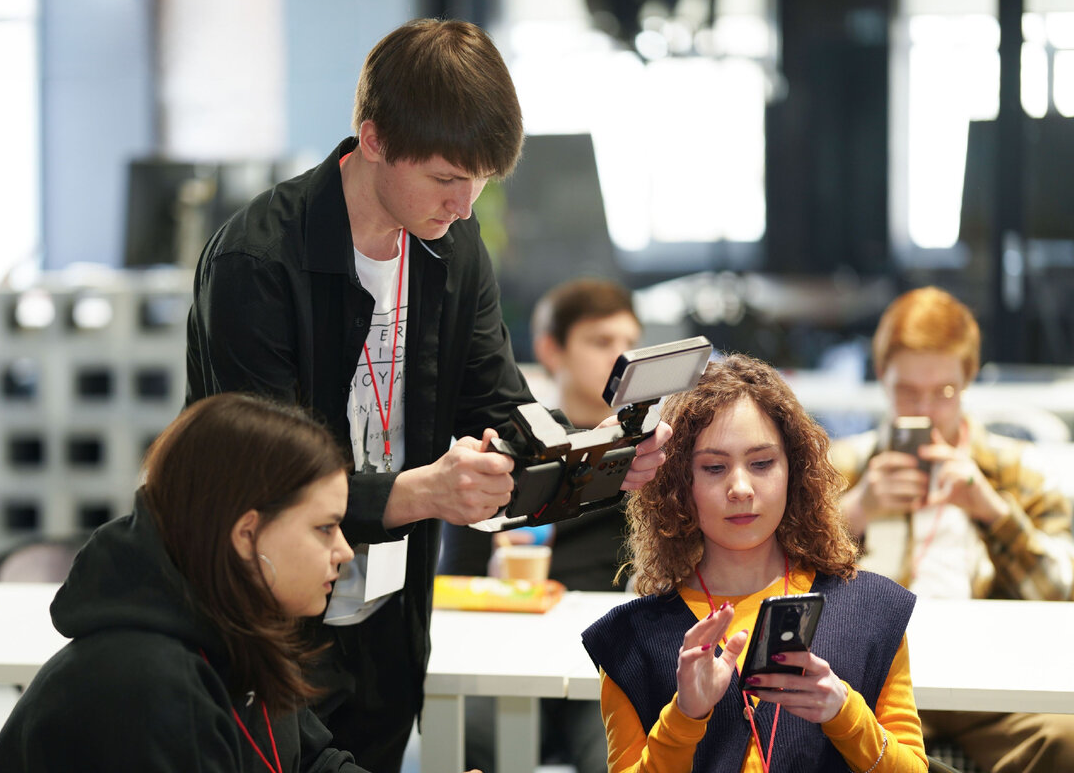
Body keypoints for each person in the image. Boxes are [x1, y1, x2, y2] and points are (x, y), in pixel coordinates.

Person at [184, 19, 671, 771]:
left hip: (390, 612)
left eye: (480, 181)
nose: (465, 204)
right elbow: (263, 478)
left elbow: (497, 401)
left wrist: (597, 458)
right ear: (373, 139)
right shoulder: (258, 261)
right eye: (447, 178)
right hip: (262, 614)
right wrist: (419, 493)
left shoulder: (451, 244)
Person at [0, 392, 369, 771]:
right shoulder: (151, 687)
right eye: (325, 528)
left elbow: (313, 762)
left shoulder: (239, 627)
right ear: (246, 535)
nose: (345, 551)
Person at [583, 354, 928, 773]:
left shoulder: (871, 610)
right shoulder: (630, 640)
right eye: (714, 467)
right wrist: (684, 717)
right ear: (678, 483)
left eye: (762, 463)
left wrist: (844, 712)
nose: (741, 488)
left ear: (794, 470)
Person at [829, 286, 1074, 772]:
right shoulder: (842, 468)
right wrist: (854, 512)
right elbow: (773, 577)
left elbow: (1062, 595)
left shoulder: (1010, 470)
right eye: (906, 391)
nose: (924, 410)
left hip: (988, 676)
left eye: (942, 393)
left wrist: (993, 513)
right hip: (867, 676)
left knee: (1063, 736)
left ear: (967, 382)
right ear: (881, 378)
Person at [439, 277, 641, 773]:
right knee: (470, 738)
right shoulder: (510, 451)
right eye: (601, 342)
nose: (621, 359)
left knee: (616, 756)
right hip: (508, 643)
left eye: (630, 345)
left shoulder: (649, 458)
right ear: (551, 349)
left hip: (600, 654)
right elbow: (457, 579)